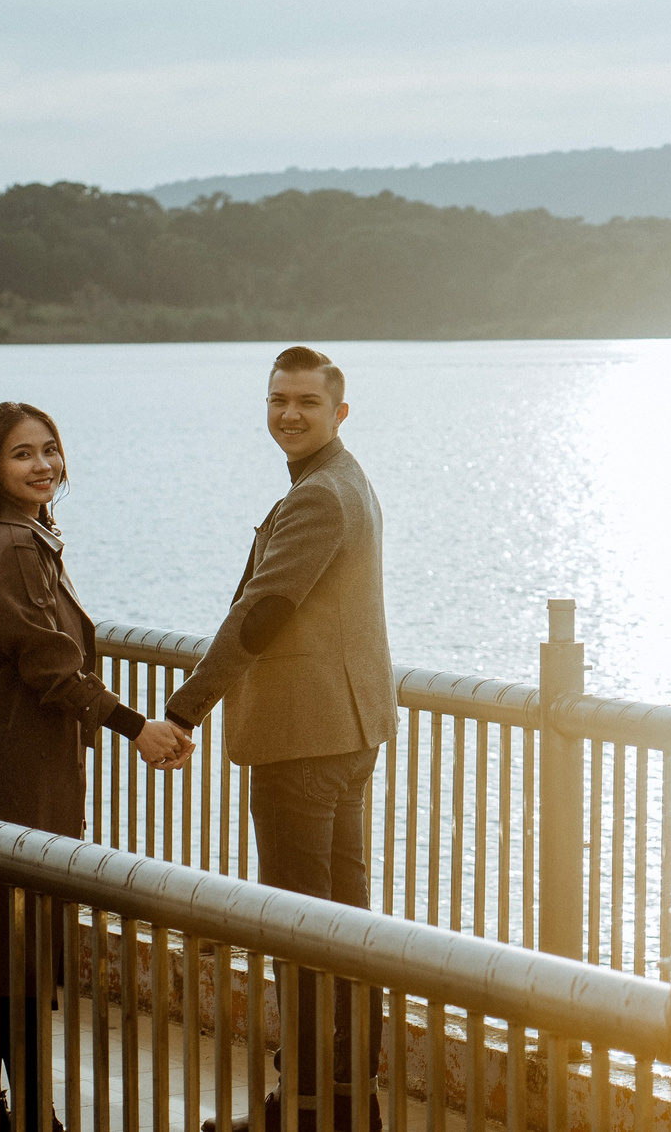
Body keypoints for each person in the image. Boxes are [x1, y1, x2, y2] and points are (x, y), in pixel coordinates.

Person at [0, 400, 192, 1130]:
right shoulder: (16, 544)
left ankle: (7, 1108)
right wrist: (136, 727)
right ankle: (22, 1113)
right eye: (23, 453)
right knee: (10, 949)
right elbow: (48, 663)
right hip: (15, 774)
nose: (43, 464)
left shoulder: (10, 536)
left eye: (50, 449)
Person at [165, 347, 396, 1132]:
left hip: (305, 739)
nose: (289, 414)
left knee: (300, 927)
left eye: (306, 402)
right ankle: (348, 1097)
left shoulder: (318, 497)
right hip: (347, 732)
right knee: (347, 922)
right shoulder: (344, 480)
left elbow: (261, 613)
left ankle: (299, 1104)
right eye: (277, 401)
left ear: (339, 411)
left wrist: (184, 710)